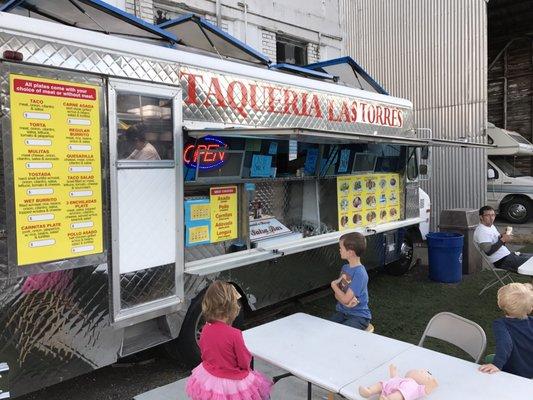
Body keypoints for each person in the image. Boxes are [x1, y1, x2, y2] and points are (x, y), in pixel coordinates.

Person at [186, 281, 272, 400]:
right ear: (232, 308)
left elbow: (205, 353)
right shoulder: (235, 334)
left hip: (209, 376)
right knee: (263, 395)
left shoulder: (205, 329)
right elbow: (243, 362)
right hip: (232, 380)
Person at [478, 282, 533, 379]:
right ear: (530, 307)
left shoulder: (501, 324)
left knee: (490, 359)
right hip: (530, 371)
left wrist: (497, 364)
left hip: (512, 372)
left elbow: (505, 343)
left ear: (501, 304)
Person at [330, 232, 372, 330]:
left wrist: (333, 285)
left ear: (350, 252)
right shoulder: (345, 268)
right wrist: (345, 300)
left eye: (341, 248)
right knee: (327, 328)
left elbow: (344, 298)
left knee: (343, 334)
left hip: (359, 316)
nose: (339, 250)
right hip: (342, 312)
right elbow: (338, 295)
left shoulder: (360, 273)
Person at [473, 205, 532, 272]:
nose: (491, 218)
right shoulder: (481, 231)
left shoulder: (491, 226)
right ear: (481, 217)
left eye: (493, 215)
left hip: (508, 256)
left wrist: (503, 236)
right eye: (488, 215)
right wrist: (503, 239)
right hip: (502, 261)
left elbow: (500, 243)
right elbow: (488, 251)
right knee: (531, 263)